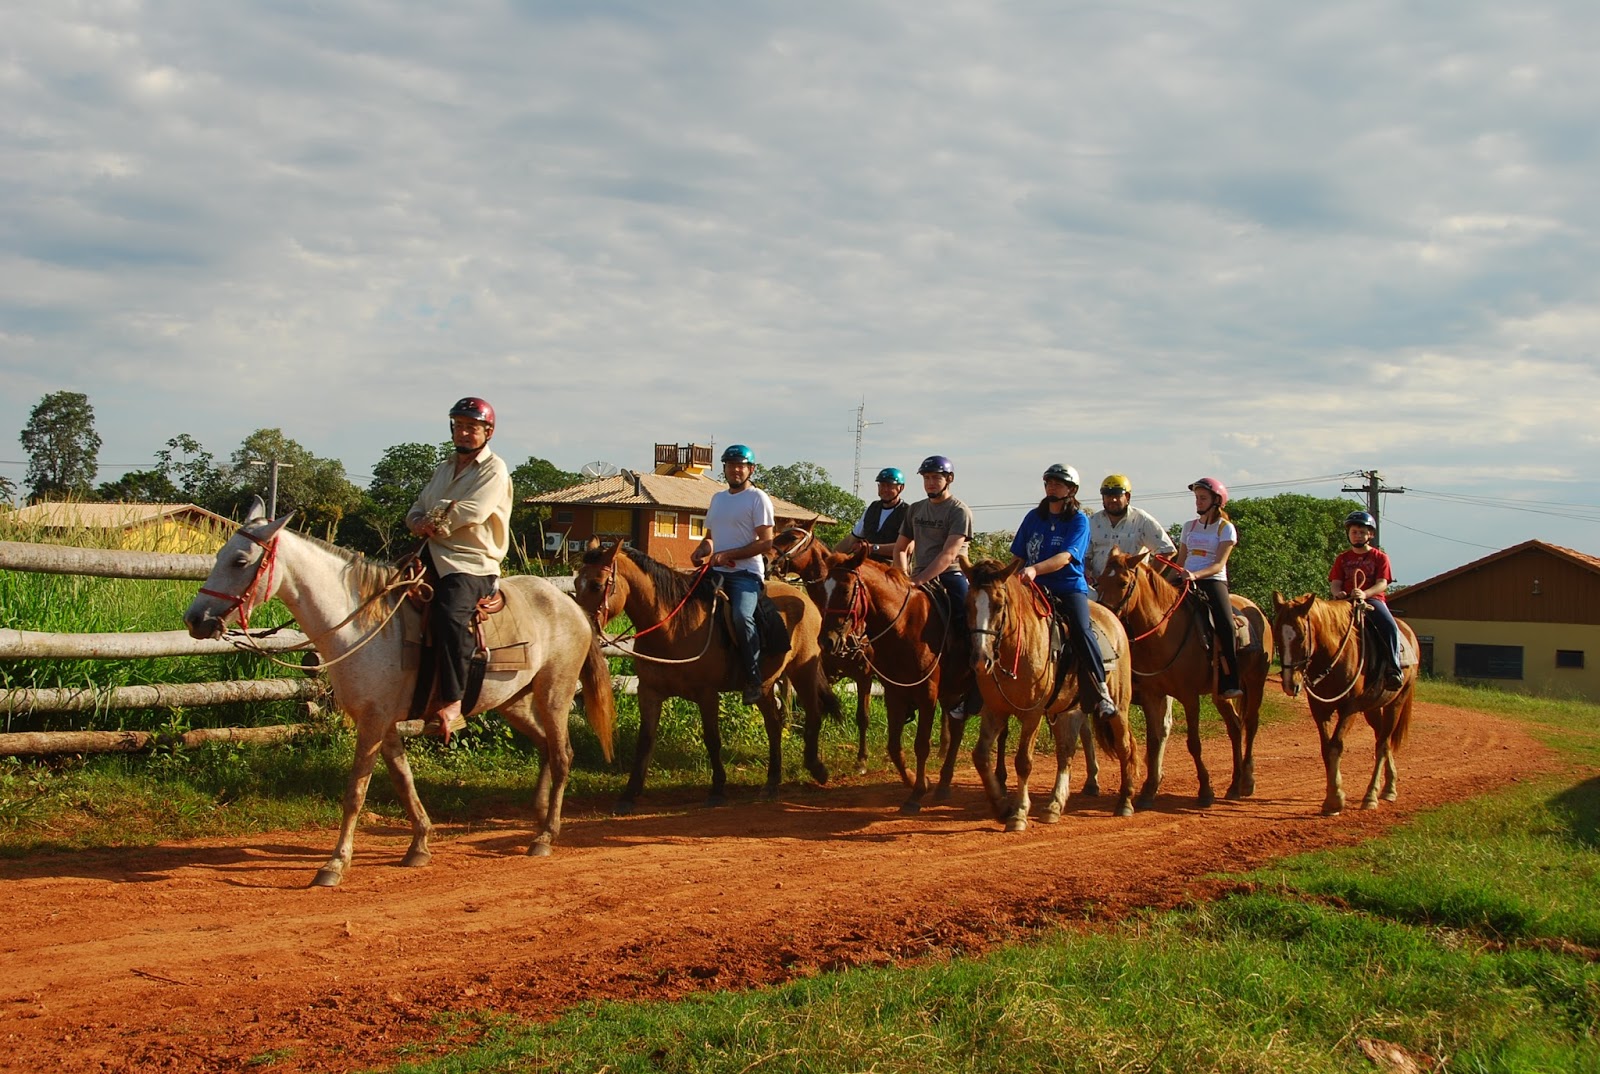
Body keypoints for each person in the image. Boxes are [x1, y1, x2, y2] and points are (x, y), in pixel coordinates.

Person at [405, 396, 514, 741]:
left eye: (472, 428)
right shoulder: (443, 468)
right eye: (460, 426)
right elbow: (416, 508)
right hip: (430, 553)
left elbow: (473, 511)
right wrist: (417, 522)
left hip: (470, 562)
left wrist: (433, 521)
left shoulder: (494, 469)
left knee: (451, 615)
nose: (464, 433)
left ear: (488, 432)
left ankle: (453, 702)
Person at [1007, 464, 1118, 719]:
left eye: (1058, 483)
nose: (1051, 487)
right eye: (1049, 482)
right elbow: (1018, 556)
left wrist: (1034, 570)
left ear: (1072, 489)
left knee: (1081, 629)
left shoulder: (1079, 520)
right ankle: (979, 694)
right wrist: (1006, 581)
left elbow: (1066, 557)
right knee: (999, 624)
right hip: (1033, 589)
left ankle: (1101, 691)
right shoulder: (1034, 517)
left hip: (1067, 588)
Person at [893, 454, 982, 718]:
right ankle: (902, 690)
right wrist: (903, 577)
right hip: (916, 575)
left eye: (936, 478)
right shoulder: (915, 509)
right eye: (926, 478)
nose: (930, 483)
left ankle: (973, 690)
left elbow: (948, 554)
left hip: (951, 574)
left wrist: (919, 580)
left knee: (969, 625)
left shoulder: (959, 511)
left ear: (949, 480)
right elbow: (900, 548)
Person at [692, 443, 775, 705]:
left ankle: (753, 678)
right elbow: (711, 539)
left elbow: (766, 543)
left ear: (750, 469)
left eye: (741, 465)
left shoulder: (757, 498)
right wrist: (701, 550)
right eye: (731, 465)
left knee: (741, 616)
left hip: (745, 574)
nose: (735, 470)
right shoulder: (718, 499)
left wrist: (729, 555)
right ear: (724, 468)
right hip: (715, 570)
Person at [1175, 476, 1243, 699]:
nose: (1198, 502)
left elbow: (1218, 564)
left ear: (1217, 500)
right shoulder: (1188, 527)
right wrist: (1166, 579)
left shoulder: (1226, 528)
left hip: (1212, 581)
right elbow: (1181, 559)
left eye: (1203, 498)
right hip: (1186, 578)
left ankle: (1230, 679)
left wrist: (1195, 575)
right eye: (1196, 498)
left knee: (1225, 623)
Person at [1329, 510, 1404, 690]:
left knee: (1390, 626)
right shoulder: (1342, 558)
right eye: (1354, 532)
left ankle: (1394, 668)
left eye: (1362, 532)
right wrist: (1338, 593)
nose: (1357, 536)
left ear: (1370, 534)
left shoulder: (1380, 557)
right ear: (1348, 534)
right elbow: (1335, 583)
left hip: (1372, 601)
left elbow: (1382, 583)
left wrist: (1365, 594)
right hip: (1344, 601)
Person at [1085, 473, 1177, 596]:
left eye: (1117, 495)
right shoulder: (1092, 522)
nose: (1112, 500)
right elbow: (1085, 556)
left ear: (1127, 496)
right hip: (1098, 588)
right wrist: (1087, 574)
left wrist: (1147, 580)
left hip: (1131, 592)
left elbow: (1166, 550)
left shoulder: (1141, 520)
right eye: (1108, 495)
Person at [838, 467, 908, 561]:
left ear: (901, 488)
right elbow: (851, 540)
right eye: (882, 485)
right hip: (868, 566)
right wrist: (830, 557)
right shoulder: (872, 508)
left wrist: (871, 548)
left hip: (893, 569)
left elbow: (905, 548)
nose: (885, 489)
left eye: (890, 486)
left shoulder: (908, 512)